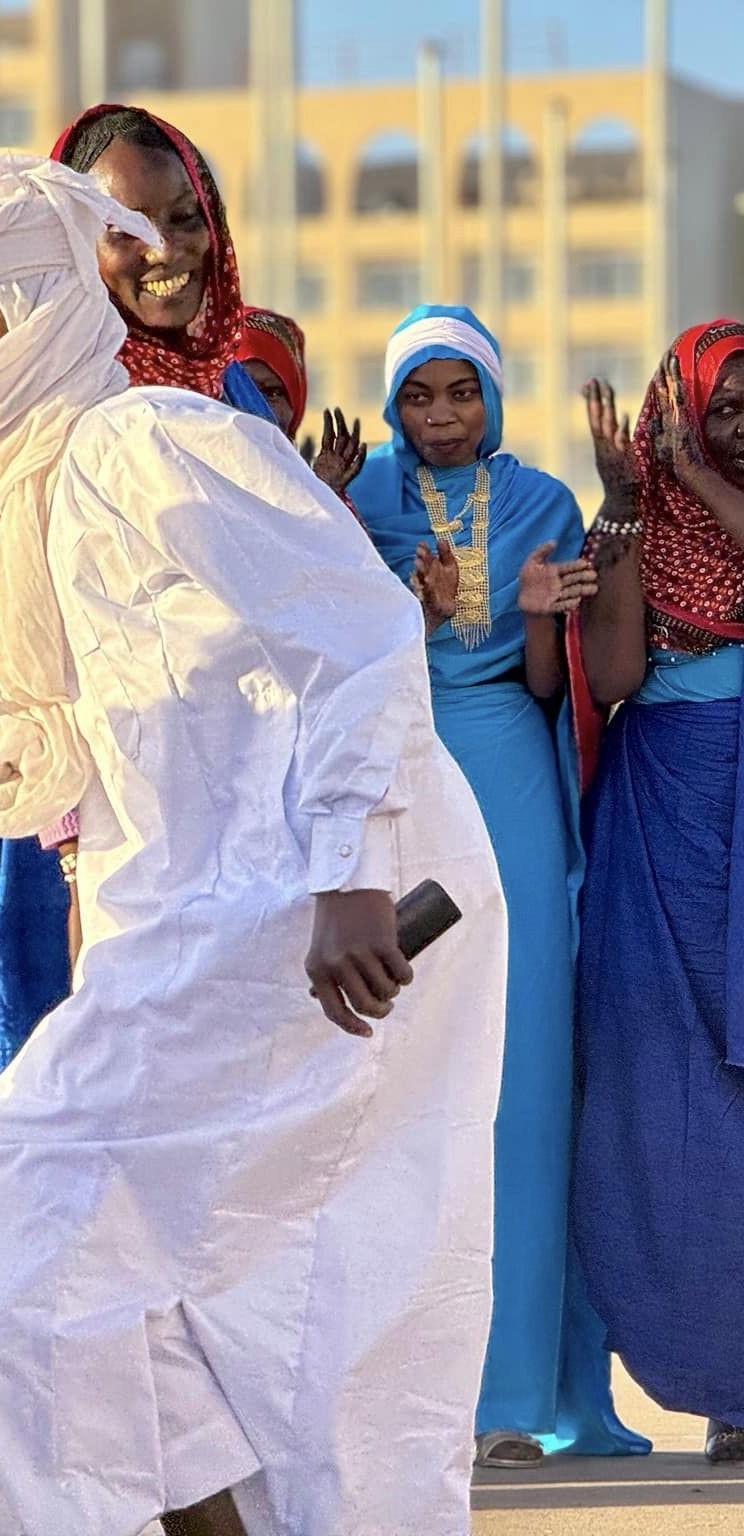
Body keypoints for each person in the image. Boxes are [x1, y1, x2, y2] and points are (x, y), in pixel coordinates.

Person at [0, 152, 506, 1536]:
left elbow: (355, 627)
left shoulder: (146, 440)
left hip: (322, 901)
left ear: (49, 300)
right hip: (200, 911)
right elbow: (87, 754)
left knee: (27, 1226)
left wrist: (347, 878)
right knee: (150, 1285)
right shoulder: (25, 493)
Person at [0, 102, 270, 1505]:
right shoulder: (17, 433)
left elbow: (248, 678)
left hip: (142, 874)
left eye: (186, 217)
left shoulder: (184, 423)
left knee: (133, 1250)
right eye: (126, 223)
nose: (165, 250)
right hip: (13, 871)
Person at [349, 304, 647, 1470]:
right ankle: (389, 1387)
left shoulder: (539, 504)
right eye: (417, 396)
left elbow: (543, 684)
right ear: (389, 406)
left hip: (505, 784)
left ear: (490, 394)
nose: (438, 417)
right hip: (388, 778)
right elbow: (332, 665)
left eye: (457, 391)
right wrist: (401, 617)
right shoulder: (352, 502)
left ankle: (512, 1393)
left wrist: (530, 616)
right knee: (394, 1080)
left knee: (517, 1084)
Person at [571, 319, 744, 1465]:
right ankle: (725, 1389)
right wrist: (633, 498)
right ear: (671, 403)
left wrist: (695, 471)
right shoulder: (627, 520)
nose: (738, 426)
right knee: (675, 1098)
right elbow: (621, 673)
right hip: (660, 821)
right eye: (720, 405)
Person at [233, 305, 368, 503]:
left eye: (273, 393)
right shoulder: (183, 478)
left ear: (295, 405)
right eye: (242, 390)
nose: (256, 407)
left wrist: (324, 494)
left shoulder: (311, 489)